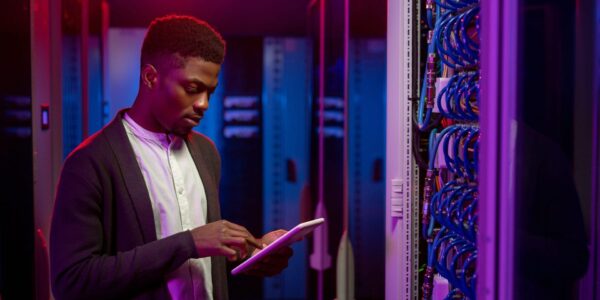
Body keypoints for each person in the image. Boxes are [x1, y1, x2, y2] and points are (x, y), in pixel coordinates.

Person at [50, 15, 292, 300]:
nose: (203, 104)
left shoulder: (206, 153)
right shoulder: (90, 163)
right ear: (151, 77)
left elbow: (202, 260)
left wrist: (252, 254)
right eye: (192, 89)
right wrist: (188, 243)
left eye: (209, 92)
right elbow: (72, 281)